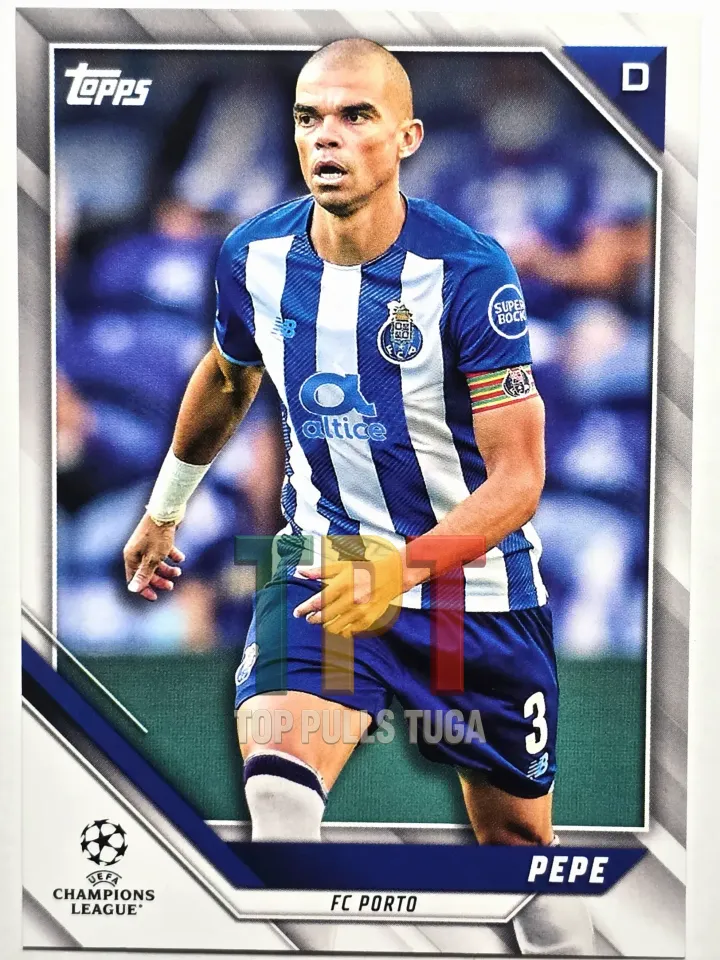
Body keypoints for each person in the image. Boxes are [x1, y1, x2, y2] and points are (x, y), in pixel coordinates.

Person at [123, 39, 594, 955]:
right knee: (278, 799)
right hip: (328, 568)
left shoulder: (470, 272)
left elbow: (519, 480)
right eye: (309, 118)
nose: (326, 137)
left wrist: (403, 569)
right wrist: (164, 507)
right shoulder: (253, 254)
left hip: (473, 595)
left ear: (406, 137)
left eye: (355, 116)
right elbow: (229, 375)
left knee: (526, 871)